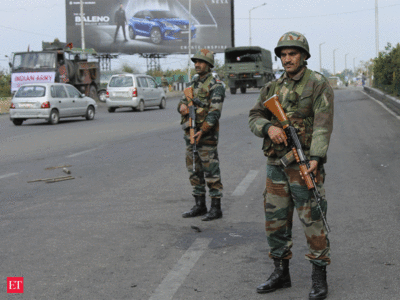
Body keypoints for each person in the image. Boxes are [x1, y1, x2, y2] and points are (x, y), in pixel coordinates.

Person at [248, 31, 334, 300]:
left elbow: (322, 125)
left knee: (313, 220)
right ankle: (280, 272)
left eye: (292, 53)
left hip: (305, 164)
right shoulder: (272, 88)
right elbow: (254, 116)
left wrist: (316, 159)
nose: (287, 59)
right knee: (275, 222)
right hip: (276, 164)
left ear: (304, 56)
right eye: (283, 54)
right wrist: (268, 127)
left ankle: (319, 277)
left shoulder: (318, 84)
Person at [177, 49, 225, 221]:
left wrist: (202, 131)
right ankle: (199, 205)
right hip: (190, 134)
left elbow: (214, 113)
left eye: (201, 62)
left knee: (211, 172)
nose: (197, 64)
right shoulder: (193, 83)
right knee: (194, 170)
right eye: (196, 61)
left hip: (206, 137)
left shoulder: (216, 85)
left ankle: (216, 208)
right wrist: (181, 107)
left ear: (209, 64)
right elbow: (182, 102)